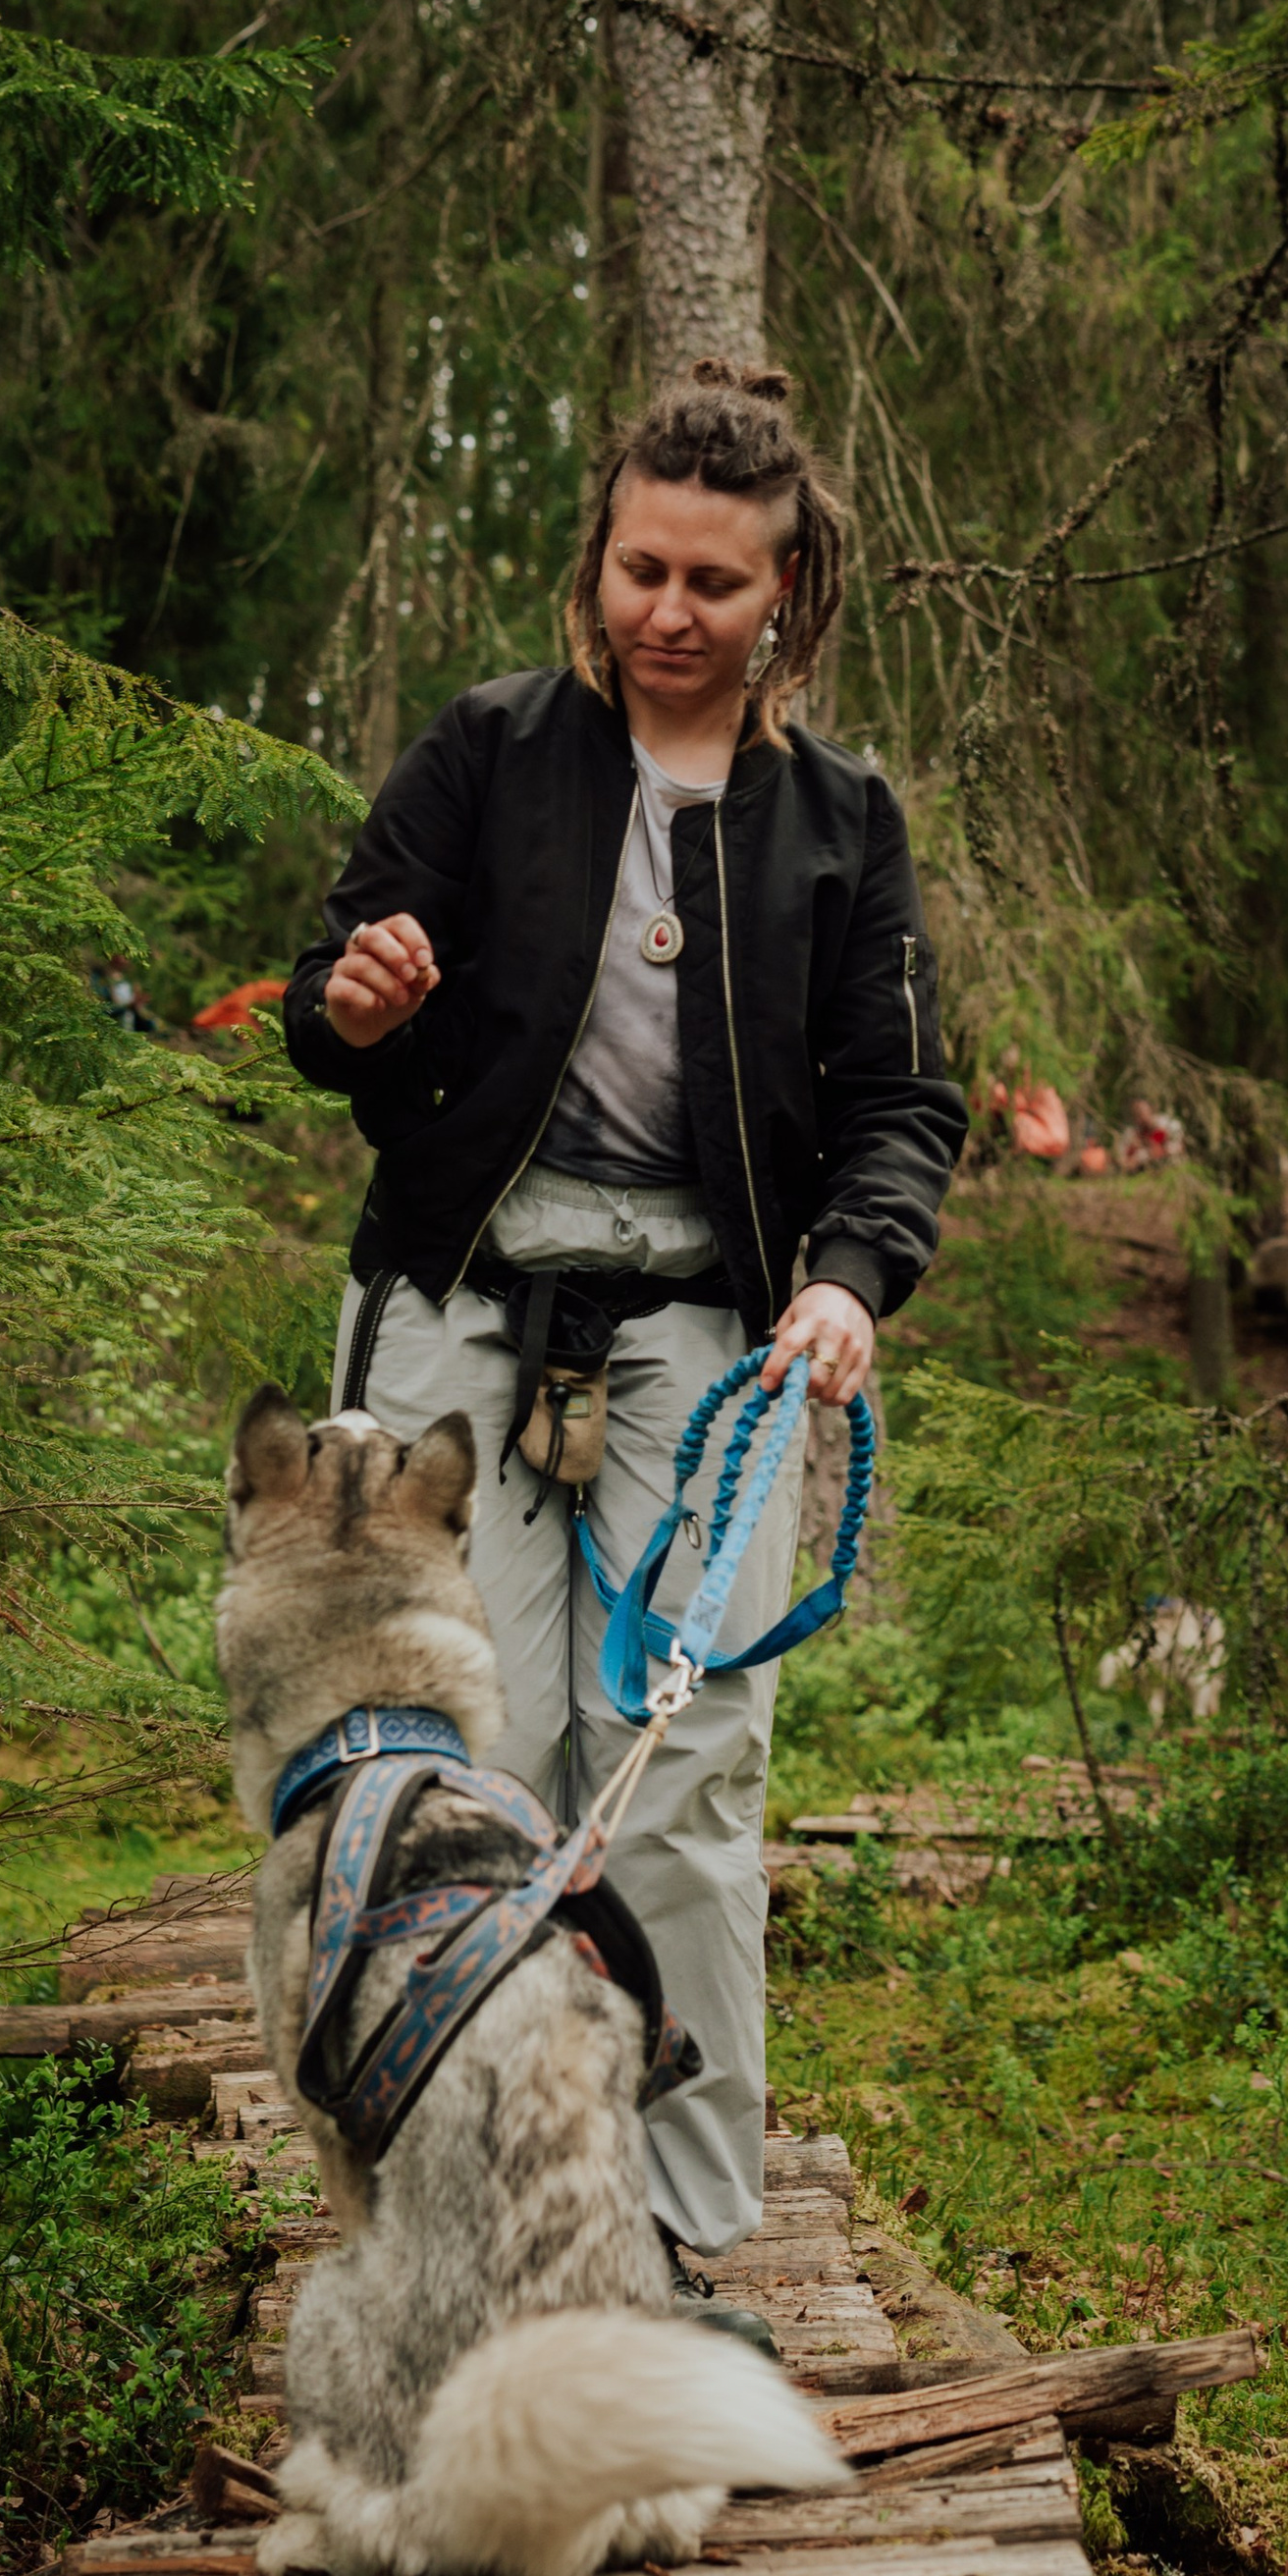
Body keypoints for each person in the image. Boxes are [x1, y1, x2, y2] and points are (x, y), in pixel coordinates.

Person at [282, 359, 966, 2304]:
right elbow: (331, 1004)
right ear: (592, 564)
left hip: (710, 1330)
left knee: (673, 1762)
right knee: (455, 1748)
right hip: (456, 1302)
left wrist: (847, 1274)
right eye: (636, 569)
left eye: (712, 585)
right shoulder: (485, 755)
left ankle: (672, 2228)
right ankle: (448, 2187)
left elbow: (897, 1104)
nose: (665, 613)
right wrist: (359, 1000)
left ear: (786, 599)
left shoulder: (840, 824)